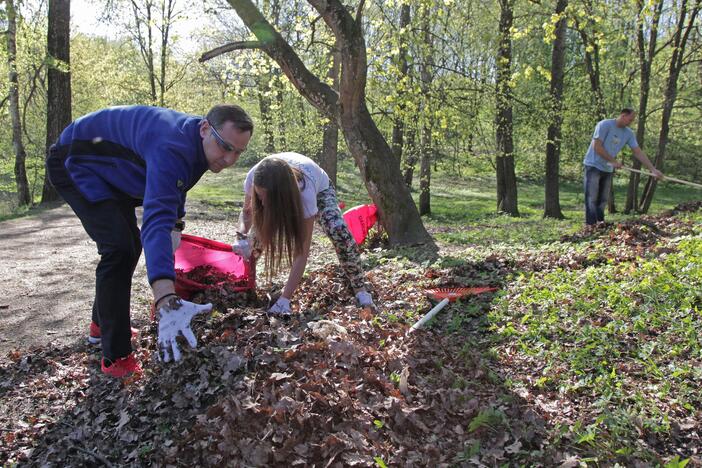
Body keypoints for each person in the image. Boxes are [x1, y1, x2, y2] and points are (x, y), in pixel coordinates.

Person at [46, 104, 254, 377]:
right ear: (204, 128)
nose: (229, 160)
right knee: (120, 248)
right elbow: (155, 220)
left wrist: (177, 223)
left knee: (128, 245)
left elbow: (175, 185)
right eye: (226, 146)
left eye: (238, 152)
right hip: (76, 161)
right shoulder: (172, 146)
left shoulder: (201, 146)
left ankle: (101, 326)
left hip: (114, 168)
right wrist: (166, 297)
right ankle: (116, 356)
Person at [232, 152, 375, 316]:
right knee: (254, 237)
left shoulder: (306, 194)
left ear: (280, 196)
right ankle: (245, 283)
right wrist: (241, 235)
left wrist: (285, 299)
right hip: (281, 190)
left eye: (266, 199)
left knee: (338, 230)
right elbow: (248, 213)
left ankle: (360, 288)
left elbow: (302, 250)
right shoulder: (256, 176)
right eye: (259, 196)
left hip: (320, 189)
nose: (262, 203)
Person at [583, 108, 663, 225]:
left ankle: (600, 225)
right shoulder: (604, 125)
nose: (631, 122)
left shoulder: (628, 133)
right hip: (593, 166)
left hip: (607, 169)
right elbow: (597, 147)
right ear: (623, 115)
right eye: (630, 119)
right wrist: (613, 160)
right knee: (592, 199)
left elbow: (637, 152)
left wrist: (653, 169)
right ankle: (590, 227)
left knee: (603, 200)